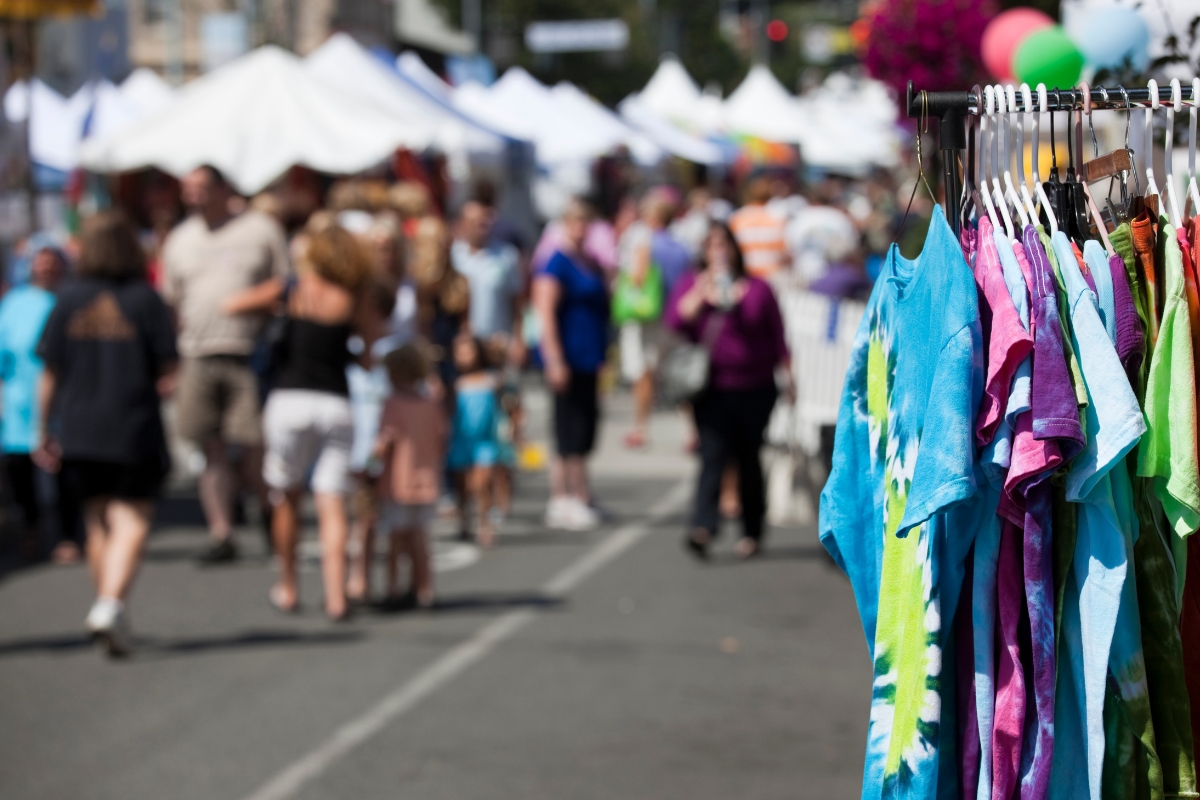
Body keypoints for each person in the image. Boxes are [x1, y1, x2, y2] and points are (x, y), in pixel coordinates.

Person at [34, 211, 178, 656]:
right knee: (132, 516)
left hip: (79, 427)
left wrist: (42, 428)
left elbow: (49, 372)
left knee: (97, 523)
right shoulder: (144, 299)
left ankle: (108, 608)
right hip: (130, 424)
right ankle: (110, 604)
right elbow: (169, 367)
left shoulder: (68, 299)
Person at [230, 223, 383, 620]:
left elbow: (232, 304)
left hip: (289, 400)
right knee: (333, 502)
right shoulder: (354, 298)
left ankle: (289, 585)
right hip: (335, 402)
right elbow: (369, 358)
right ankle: (336, 595)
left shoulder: (292, 288)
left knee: (287, 496)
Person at [162, 165, 289, 564]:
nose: (192, 196)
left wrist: (248, 305)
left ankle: (269, 514)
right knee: (209, 447)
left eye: (200, 188)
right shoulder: (180, 239)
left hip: (247, 352)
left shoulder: (259, 229)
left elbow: (285, 283)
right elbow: (171, 302)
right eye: (187, 189)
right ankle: (222, 532)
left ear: (222, 188)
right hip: (196, 354)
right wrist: (170, 363)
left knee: (253, 445)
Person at [665, 222, 793, 559]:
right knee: (712, 455)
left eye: (724, 244)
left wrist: (790, 378)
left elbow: (778, 335)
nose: (719, 251)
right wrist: (702, 291)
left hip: (755, 386)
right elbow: (676, 322)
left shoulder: (757, 288)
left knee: (749, 458)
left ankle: (752, 531)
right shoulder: (693, 284)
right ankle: (703, 525)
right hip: (711, 387)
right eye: (711, 245)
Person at [344, 214, 415, 605]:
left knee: (398, 512)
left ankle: (396, 578)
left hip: (392, 430)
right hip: (362, 441)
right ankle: (359, 577)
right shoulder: (352, 356)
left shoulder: (406, 290)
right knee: (363, 513)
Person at [532, 198, 610, 531]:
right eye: (575, 222)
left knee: (586, 427)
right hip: (568, 354)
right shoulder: (556, 263)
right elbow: (544, 312)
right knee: (568, 428)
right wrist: (554, 358)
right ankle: (562, 496)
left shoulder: (590, 262)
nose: (581, 228)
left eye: (585, 222)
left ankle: (581, 491)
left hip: (590, 355)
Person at [0, 246, 77, 562]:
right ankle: (31, 528)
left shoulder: (70, 300)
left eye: (52, 264)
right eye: (40, 264)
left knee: (64, 469)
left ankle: (67, 535)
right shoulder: (14, 303)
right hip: (20, 400)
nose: (46, 270)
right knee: (20, 471)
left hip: (64, 400)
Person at [617, 190, 692, 449]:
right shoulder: (682, 246)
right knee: (678, 374)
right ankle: (690, 431)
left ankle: (640, 429)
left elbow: (637, 278)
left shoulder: (645, 242)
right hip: (675, 317)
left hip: (649, 316)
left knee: (644, 373)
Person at [374, 344, 444, 609]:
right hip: (426, 480)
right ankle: (424, 588)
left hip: (398, 482)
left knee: (395, 538)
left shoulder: (393, 405)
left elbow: (383, 443)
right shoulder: (430, 405)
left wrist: (369, 466)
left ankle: (393, 588)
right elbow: (440, 438)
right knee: (419, 537)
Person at [446, 334, 503, 547]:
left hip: (484, 441)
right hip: (460, 440)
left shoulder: (491, 380)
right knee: (462, 487)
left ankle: (485, 523)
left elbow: (505, 406)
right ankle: (464, 520)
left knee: (480, 484)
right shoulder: (455, 384)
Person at [727, 176, 789, 280]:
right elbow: (786, 253)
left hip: (746, 276)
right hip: (772, 277)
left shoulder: (737, 218)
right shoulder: (778, 218)